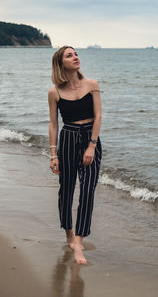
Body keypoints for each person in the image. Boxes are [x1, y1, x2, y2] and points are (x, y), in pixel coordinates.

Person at [48, 45, 102, 265]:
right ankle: (69, 234)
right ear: (61, 63)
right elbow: (53, 123)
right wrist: (53, 154)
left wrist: (91, 145)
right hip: (68, 138)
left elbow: (98, 116)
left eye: (76, 54)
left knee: (88, 190)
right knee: (67, 190)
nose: (75, 57)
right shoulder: (55, 92)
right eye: (69, 55)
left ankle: (79, 241)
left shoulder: (92, 85)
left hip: (91, 138)